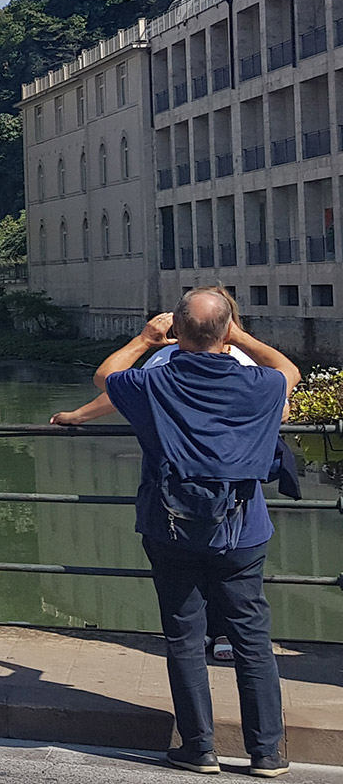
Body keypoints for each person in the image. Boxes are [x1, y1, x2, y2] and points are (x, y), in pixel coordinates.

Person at [98, 291, 298, 777]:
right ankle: (266, 752)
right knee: (252, 639)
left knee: (184, 636)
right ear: (226, 331)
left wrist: (145, 339)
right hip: (242, 528)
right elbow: (289, 371)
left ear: (177, 333)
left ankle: (199, 747)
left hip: (171, 525)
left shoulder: (154, 382)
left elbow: (106, 375)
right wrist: (241, 336)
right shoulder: (259, 385)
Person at [52, 286, 251, 662]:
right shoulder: (245, 361)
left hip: (172, 485)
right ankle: (224, 633)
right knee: (228, 556)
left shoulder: (164, 360)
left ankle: (208, 637)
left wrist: (144, 340)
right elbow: (282, 393)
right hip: (232, 482)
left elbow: (114, 384)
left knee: (188, 571)